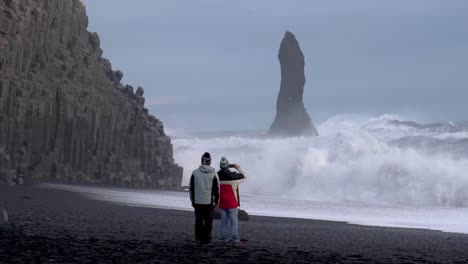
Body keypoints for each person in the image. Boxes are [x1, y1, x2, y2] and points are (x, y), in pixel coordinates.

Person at [189, 152, 219, 244]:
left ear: (201, 161)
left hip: (197, 201)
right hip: (208, 202)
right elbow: (216, 189)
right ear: (210, 162)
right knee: (208, 221)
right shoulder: (214, 174)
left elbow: (191, 188)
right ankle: (206, 238)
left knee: (198, 220)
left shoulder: (194, 173)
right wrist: (216, 202)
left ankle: (198, 237)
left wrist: (192, 201)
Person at [217, 157, 247, 244]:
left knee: (224, 222)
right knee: (234, 222)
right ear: (228, 166)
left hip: (222, 202)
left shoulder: (217, 176)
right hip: (232, 203)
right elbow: (245, 176)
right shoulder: (234, 177)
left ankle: (224, 238)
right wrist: (236, 167)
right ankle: (235, 239)